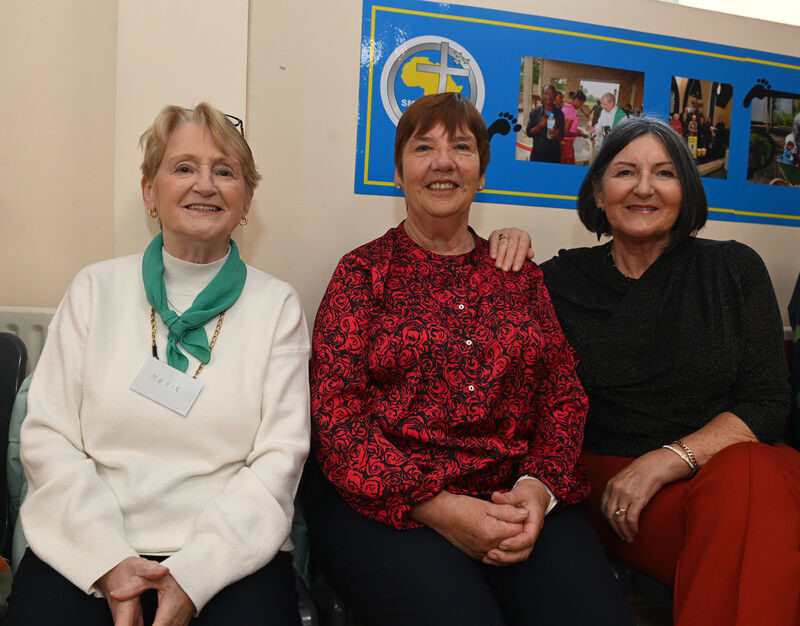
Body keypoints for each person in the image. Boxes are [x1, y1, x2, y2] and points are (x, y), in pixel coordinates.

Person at [303, 92, 633, 626]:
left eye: (461, 147)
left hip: (513, 495)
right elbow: (337, 416)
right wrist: (436, 504)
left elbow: (563, 393)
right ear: (398, 172)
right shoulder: (362, 274)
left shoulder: (518, 273)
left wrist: (537, 489)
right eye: (423, 147)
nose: (443, 161)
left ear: (481, 171)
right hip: (391, 503)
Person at [6, 104, 310, 626]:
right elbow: (48, 438)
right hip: (87, 544)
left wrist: (195, 576)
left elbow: (278, 463)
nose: (206, 185)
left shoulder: (277, 306)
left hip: (232, 556)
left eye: (225, 171)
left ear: (247, 200)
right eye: (184, 167)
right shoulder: (94, 289)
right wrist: (108, 561)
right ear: (150, 191)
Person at [489, 117, 800, 626]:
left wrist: (664, 460)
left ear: (687, 190)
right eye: (625, 171)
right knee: (767, 544)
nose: (643, 188)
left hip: (724, 468)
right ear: (597, 191)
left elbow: (766, 404)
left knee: (753, 476)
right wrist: (498, 245)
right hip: (620, 489)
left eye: (664, 173)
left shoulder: (734, 269)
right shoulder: (556, 282)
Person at [526, 83, 565, 163]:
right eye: (546, 93)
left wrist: (557, 133)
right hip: (537, 156)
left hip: (554, 156)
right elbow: (529, 133)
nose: (549, 97)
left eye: (552, 94)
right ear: (542, 95)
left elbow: (561, 137)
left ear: (555, 97)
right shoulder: (535, 112)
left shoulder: (560, 114)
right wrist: (540, 125)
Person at [561, 90, 589, 165]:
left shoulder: (568, 108)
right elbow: (566, 133)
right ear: (576, 100)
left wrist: (577, 130)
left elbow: (569, 127)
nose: (581, 105)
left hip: (566, 143)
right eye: (581, 103)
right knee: (567, 168)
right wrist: (580, 135)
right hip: (566, 144)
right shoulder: (569, 111)